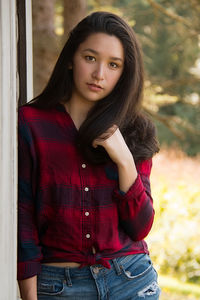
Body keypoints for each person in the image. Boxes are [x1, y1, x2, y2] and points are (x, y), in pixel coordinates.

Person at [17, 11, 160, 300]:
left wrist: (124, 161)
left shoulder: (135, 129)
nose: (99, 75)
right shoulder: (31, 123)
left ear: (124, 72)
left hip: (130, 280)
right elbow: (23, 216)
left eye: (113, 65)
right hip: (59, 287)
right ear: (71, 58)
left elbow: (140, 226)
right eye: (90, 58)